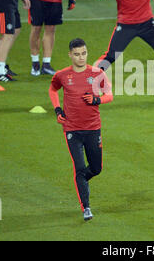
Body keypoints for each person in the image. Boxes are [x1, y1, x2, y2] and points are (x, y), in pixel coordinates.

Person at [49, 38, 113, 221]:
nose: (81, 58)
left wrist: (97, 100)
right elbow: (53, 90)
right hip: (72, 130)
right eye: (77, 54)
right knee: (78, 167)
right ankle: (86, 207)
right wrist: (57, 109)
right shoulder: (62, 75)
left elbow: (109, 95)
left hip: (93, 128)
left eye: (83, 53)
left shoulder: (97, 73)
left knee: (96, 168)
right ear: (70, 55)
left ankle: (81, 180)